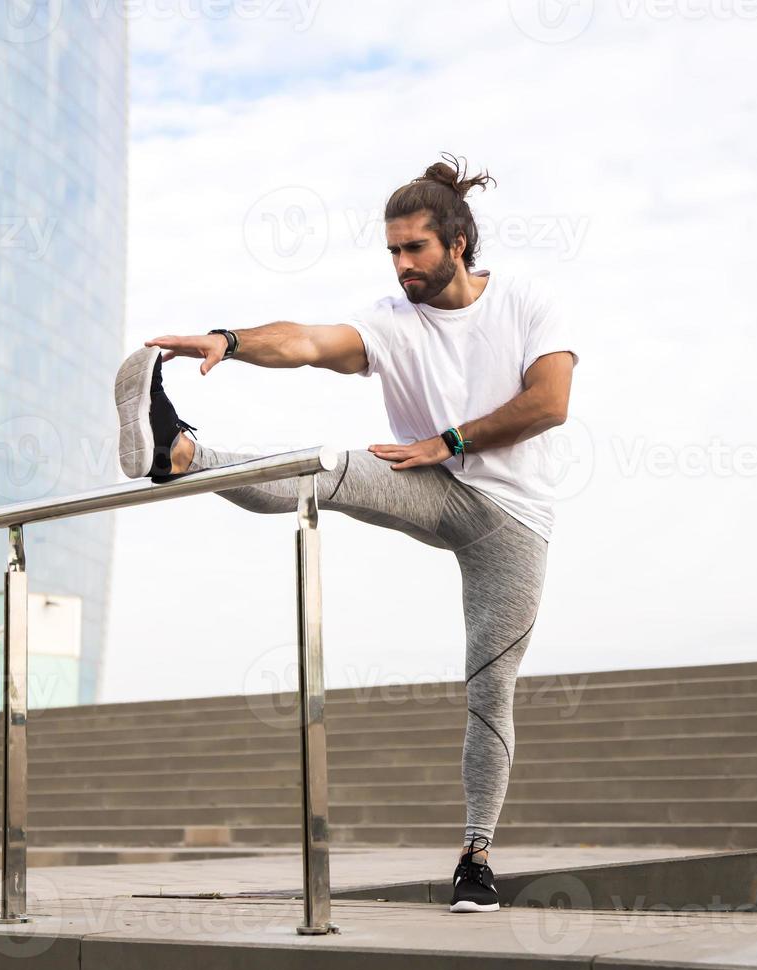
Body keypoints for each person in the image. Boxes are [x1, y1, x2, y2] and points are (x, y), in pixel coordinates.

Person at [115, 153, 579, 913]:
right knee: (321, 469)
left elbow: (550, 401)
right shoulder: (390, 324)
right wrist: (227, 341)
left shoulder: (529, 303)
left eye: (415, 250)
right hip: (429, 486)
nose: (402, 266)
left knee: (490, 683)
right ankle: (179, 454)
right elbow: (304, 341)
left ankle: (476, 855)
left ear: (458, 241)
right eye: (393, 251)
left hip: (514, 520)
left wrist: (449, 441)